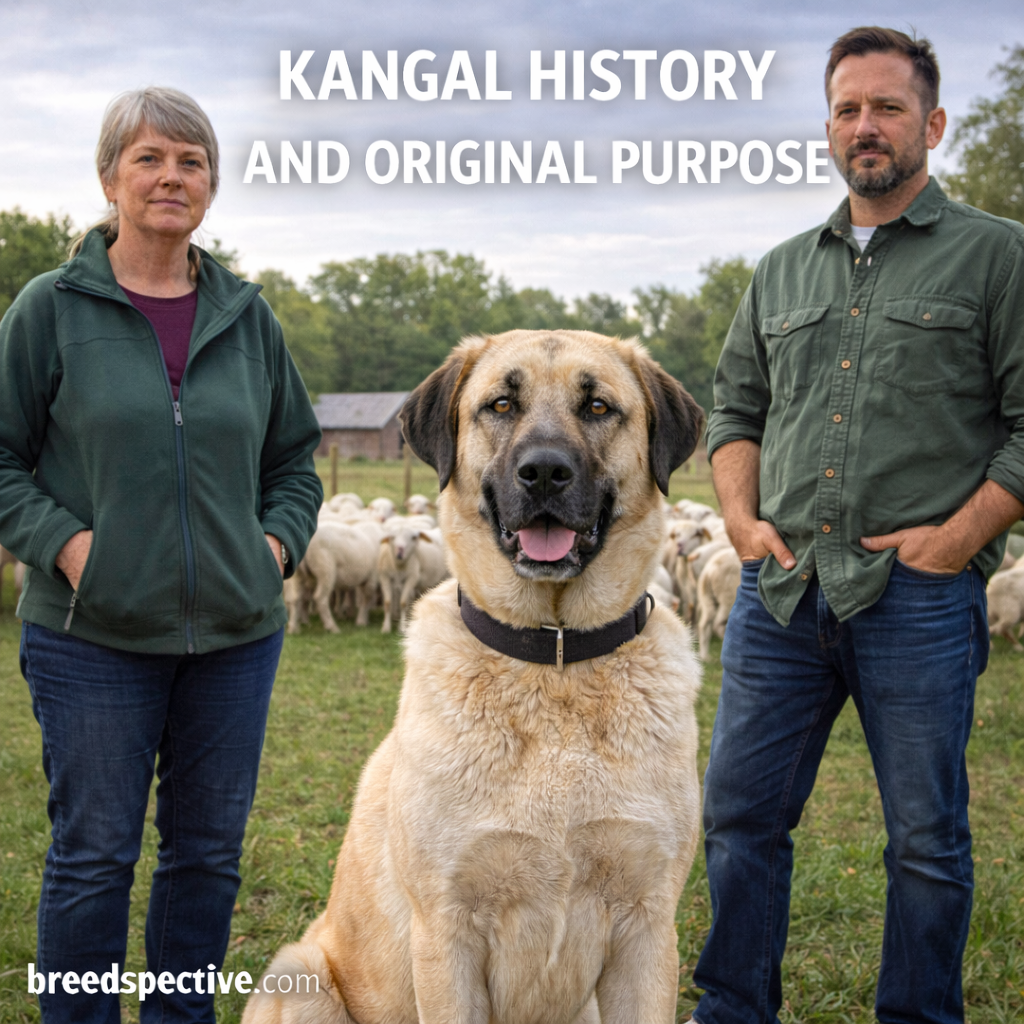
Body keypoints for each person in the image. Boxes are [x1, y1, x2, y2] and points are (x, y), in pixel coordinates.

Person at [692, 27, 1024, 1024]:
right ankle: (732, 1010)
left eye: (885, 107)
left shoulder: (996, 256)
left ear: (930, 123)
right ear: (827, 128)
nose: (864, 126)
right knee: (739, 819)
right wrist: (742, 520)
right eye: (846, 108)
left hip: (917, 596)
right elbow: (732, 409)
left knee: (926, 836)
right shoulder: (781, 270)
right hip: (780, 592)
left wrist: (958, 539)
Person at [0, 87, 323, 1023]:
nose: (170, 177)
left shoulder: (247, 316)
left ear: (212, 186)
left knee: (207, 857)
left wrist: (271, 548)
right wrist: (67, 546)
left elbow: (294, 457)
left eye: (191, 162)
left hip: (234, 635)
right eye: (149, 158)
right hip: (90, 636)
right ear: (111, 178)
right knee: (95, 857)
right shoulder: (51, 308)